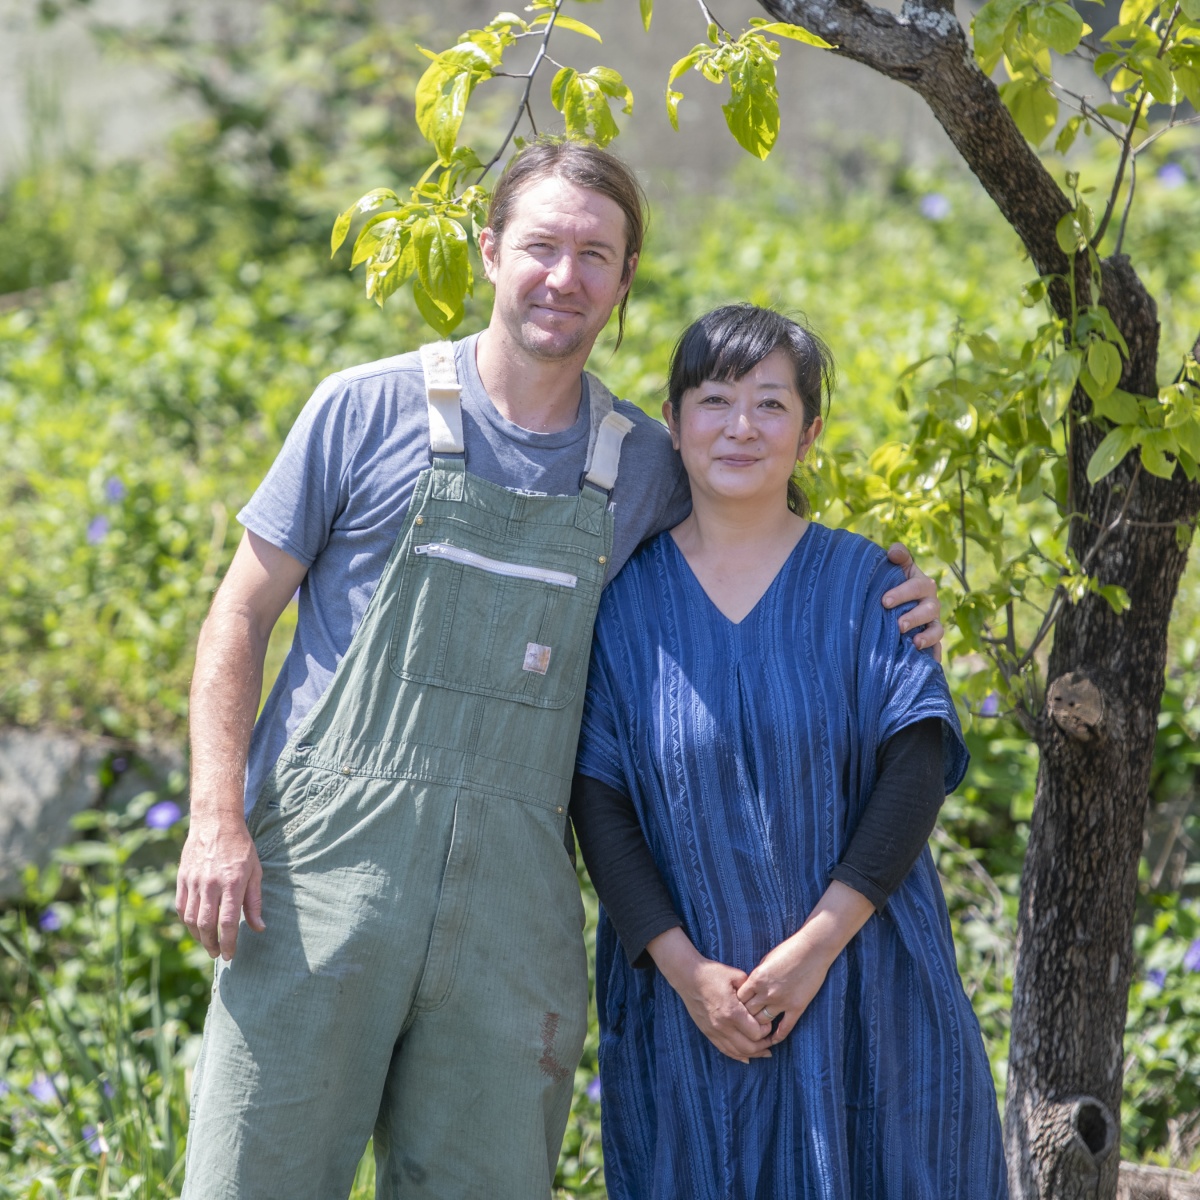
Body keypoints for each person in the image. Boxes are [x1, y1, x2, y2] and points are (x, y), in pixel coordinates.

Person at [174, 139, 945, 1200]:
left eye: (596, 253)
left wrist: (886, 593)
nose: (564, 275)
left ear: (626, 279)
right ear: (491, 251)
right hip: (323, 882)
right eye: (542, 245)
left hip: (513, 913)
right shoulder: (362, 409)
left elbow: (752, 527)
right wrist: (217, 819)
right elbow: (238, 614)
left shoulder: (644, 465)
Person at [572, 304, 1008, 1199]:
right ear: (673, 422)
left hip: (867, 987)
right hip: (692, 1014)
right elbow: (598, 801)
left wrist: (817, 946)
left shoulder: (869, 587)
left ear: (809, 434)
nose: (741, 427)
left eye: (771, 405)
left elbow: (915, 767)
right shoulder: (622, 605)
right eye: (715, 399)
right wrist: (687, 974)